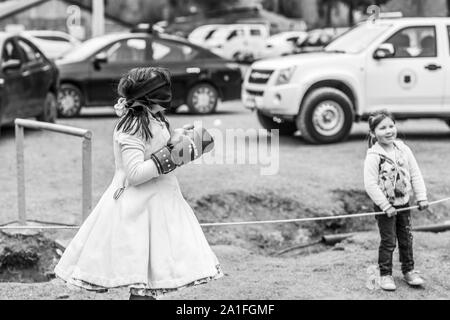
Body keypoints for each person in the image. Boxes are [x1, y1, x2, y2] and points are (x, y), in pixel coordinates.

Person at [54, 67, 223, 300]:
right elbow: (134, 174)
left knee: (153, 278)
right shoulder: (132, 126)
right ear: (153, 97)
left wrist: (177, 139)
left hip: (160, 204)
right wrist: (172, 155)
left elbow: (156, 145)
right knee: (140, 280)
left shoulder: (153, 118)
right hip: (137, 210)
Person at [363, 110, 429, 291]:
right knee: (389, 241)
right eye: (382, 128)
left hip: (404, 204)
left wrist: (421, 197)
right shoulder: (373, 156)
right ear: (373, 133)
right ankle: (385, 275)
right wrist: (385, 205)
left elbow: (415, 174)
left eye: (391, 126)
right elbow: (370, 184)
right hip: (385, 208)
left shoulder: (404, 149)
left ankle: (409, 270)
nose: (388, 131)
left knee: (406, 238)